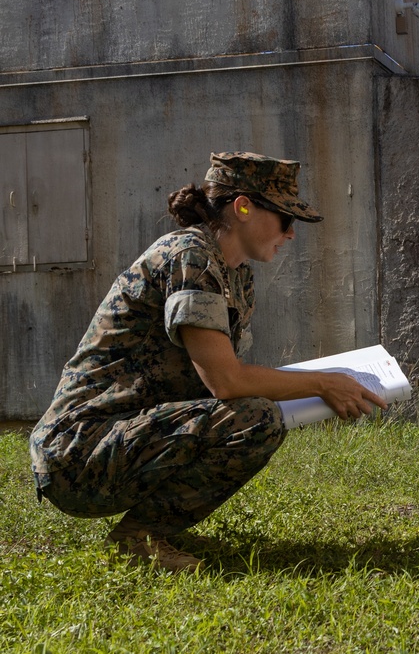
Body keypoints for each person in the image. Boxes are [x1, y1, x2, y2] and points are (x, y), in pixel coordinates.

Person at [29, 152, 387, 572]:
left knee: (254, 414)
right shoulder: (190, 257)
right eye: (285, 219)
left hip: (122, 435)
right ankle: (138, 540)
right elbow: (225, 382)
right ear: (243, 207)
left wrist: (320, 387)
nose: (291, 234)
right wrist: (324, 384)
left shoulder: (235, 273)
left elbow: (217, 384)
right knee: (255, 419)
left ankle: (150, 529)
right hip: (77, 449)